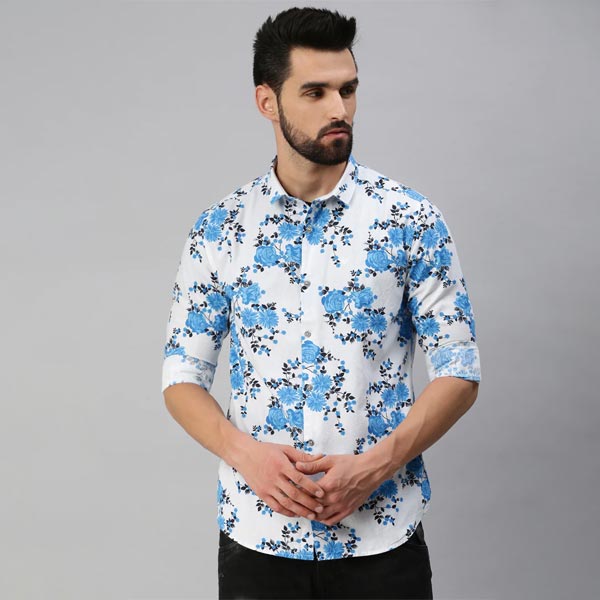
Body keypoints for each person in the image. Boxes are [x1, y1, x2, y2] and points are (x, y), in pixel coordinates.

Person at [161, 7, 481, 599]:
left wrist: (376, 466)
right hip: (258, 542)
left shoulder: (410, 220)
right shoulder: (221, 230)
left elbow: (460, 371)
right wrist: (246, 456)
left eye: (348, 90)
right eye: (316, 92)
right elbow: (181, 376)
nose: (340, 109)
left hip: (382, 539)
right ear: (267, 102)